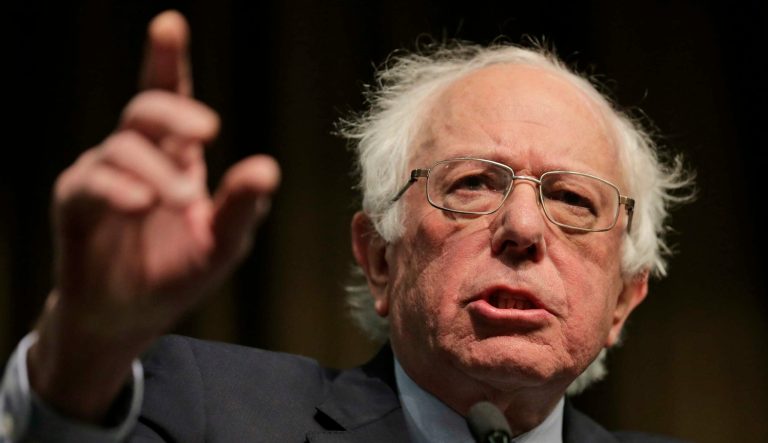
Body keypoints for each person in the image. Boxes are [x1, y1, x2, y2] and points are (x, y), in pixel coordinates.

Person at [0, 10, 693, 443]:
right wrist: (85, 348)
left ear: (626, 298)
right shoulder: (206, 409)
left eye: (572, 198)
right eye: (472, 183)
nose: (521, 227)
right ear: (380, 259)